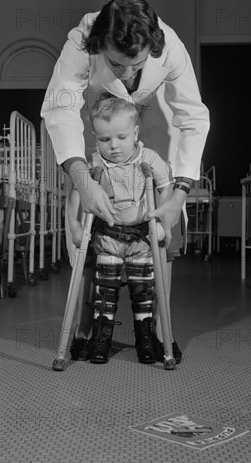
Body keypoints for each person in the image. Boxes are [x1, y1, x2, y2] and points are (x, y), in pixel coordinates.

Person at [41, 0, 210, 362]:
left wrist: (178, 195)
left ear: (152, 47)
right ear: (100, 45)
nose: (128, 74)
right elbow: (60, 106)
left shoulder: (171, 46)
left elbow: (194, 118)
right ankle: (87, 329)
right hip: (102, 131)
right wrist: (83, 181)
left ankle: (161, 332)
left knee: (164, 237)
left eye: (136, 64)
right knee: (89, 230)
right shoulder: (81, 41)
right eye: (116, 64)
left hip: (151, 130)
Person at [67, 95, 173, 364]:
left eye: (121, 138)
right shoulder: (93, 163)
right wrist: (77, 227)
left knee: (143, 290)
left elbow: (166, 187)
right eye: (104, 140)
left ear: (135, 133)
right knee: (106, 290)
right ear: (95, 137)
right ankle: (100, 340)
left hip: (140, 236)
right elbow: (75, 195)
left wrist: (161, 222)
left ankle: (146, 341)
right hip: (108, 236)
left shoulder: (149, 158)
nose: (113, 146)